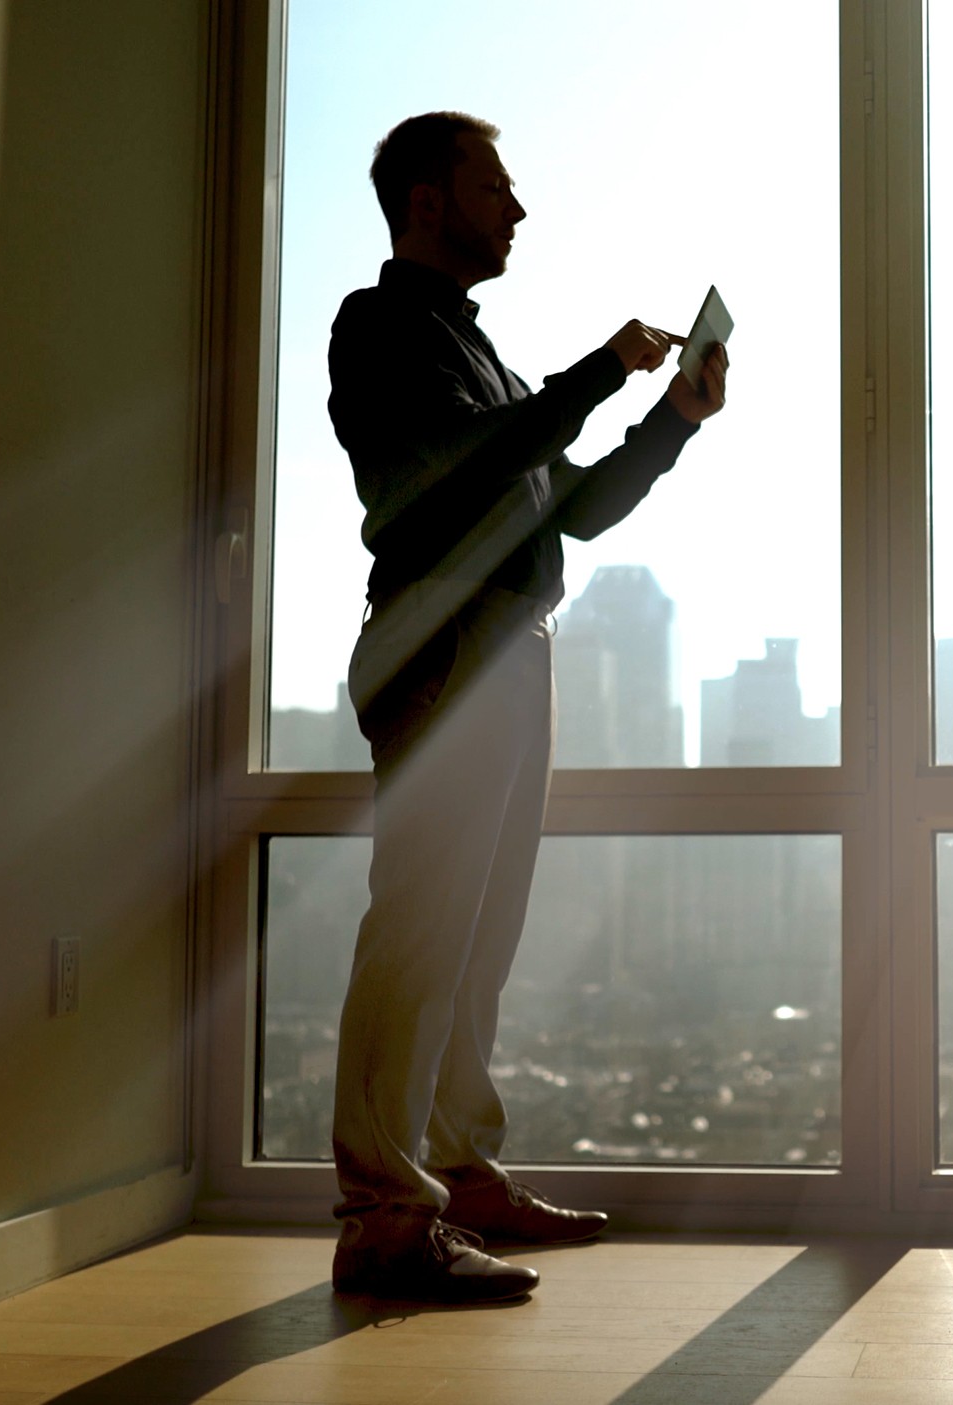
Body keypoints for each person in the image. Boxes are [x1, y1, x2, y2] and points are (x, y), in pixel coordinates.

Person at [323, 110, 727, 1301]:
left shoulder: (479, 353)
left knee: (477, 938)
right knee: (420, 933)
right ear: (428, 201)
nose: (519, 209)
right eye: (495, 186)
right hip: (445, 644)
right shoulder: (382, 325)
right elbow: (466, 460)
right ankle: (386, 1217)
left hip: (507, 644)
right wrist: (602, 371)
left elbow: (575, 510)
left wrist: (671, 421)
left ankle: (454, 1167)